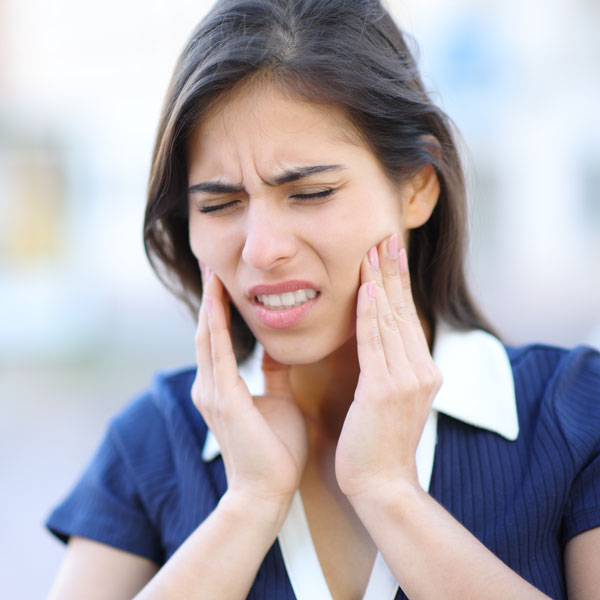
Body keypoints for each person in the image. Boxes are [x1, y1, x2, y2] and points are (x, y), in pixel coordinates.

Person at [46, 0, 600, 598]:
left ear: (417, 188)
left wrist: (389, 491)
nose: (261, 250)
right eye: (219, 205)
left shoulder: (575, 416)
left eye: (310, 192)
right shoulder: (154, 442)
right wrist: (249, 505)